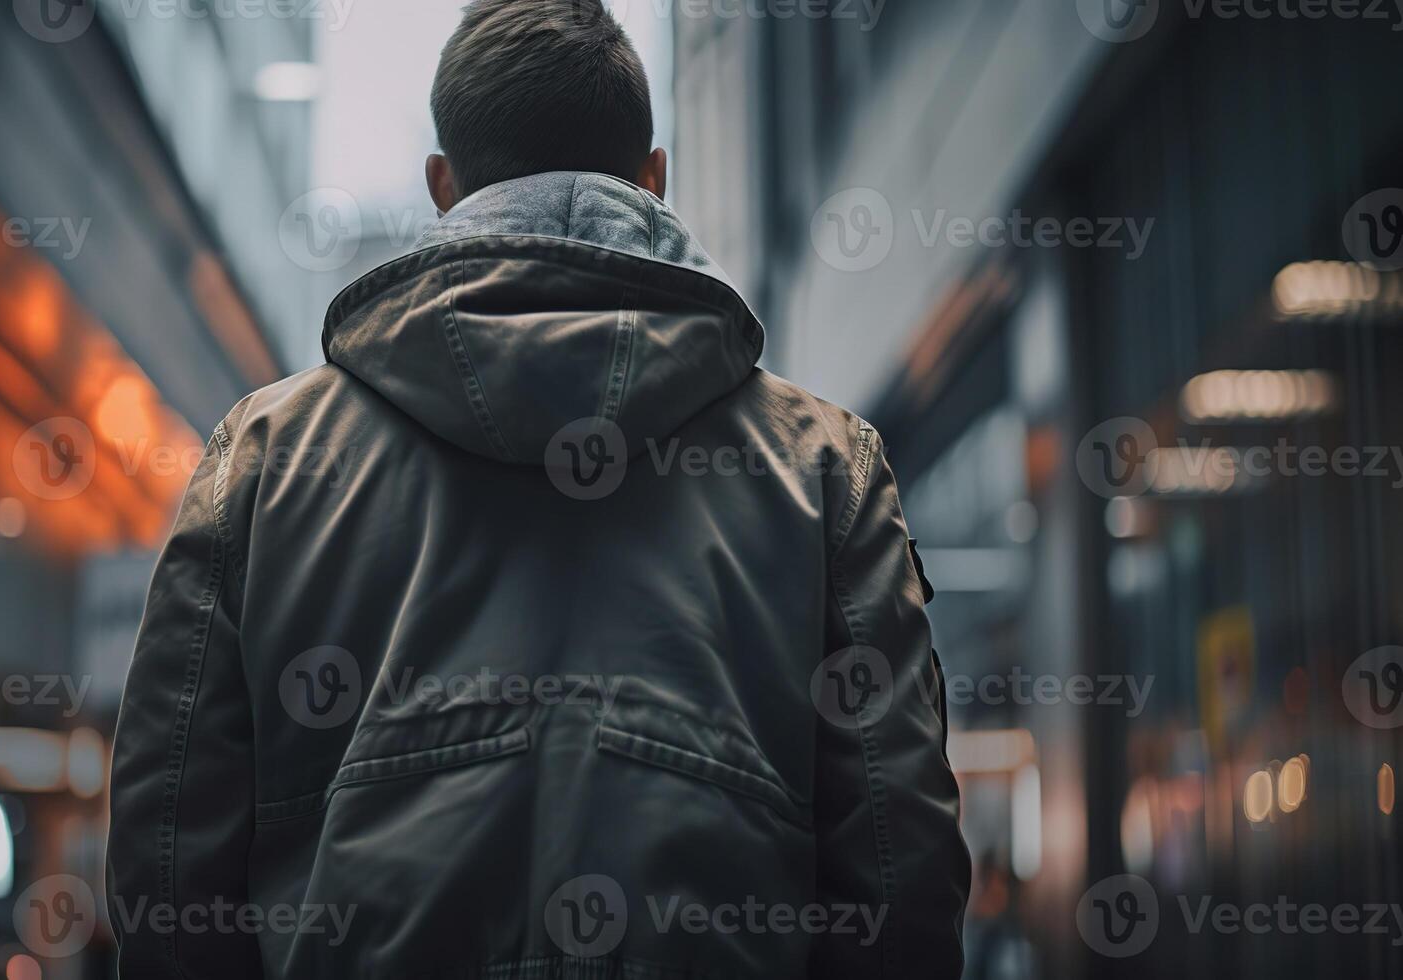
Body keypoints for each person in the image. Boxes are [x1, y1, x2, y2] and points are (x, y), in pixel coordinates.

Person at [107, 0, 970, 975]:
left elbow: (169, 867)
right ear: (655, 177)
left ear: (443, 185)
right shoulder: (822, 468)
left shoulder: (265, 462)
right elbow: (902, 878)